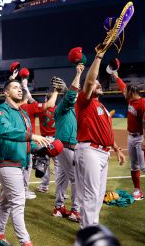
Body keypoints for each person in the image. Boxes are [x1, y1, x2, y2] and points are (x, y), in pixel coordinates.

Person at [0, 79, 50, 246]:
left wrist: (39, 148)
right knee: (18, 201)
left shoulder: (23, 114)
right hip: (6, 162)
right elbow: (5, 131)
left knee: (7, 202)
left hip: (20, 162)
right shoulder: (0, 112)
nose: (19, 90)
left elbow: (25, 143)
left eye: (20, 87)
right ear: (6, 93)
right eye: (14, 87)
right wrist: (32, 137)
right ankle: (25, 242)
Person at [74, 44, 125, 228]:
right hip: (90, 150)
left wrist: (117, 150)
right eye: (97, 83)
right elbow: (89, 81)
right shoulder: (84, 101)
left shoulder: (101, 107)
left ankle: (91, 226)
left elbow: (107, 133)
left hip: (103, 152)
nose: (98, 84)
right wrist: (99, 57)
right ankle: (88, 233)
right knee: (90, 194)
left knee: (98, 193)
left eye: (99, 84)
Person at [52, 63, 85, 223]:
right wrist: (78, 74)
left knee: (62, 179)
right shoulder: (63, 107)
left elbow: (73, 98)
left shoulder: (72, 109)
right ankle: (75, 211)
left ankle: (58, 208)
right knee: (77, 179)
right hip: (65, 146)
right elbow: (71, 96)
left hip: (65, 146)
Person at [111, 71, 145, 200]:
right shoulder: (130, 99)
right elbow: (122, 86)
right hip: (131, 137)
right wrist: (116, 76)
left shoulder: (143, 104)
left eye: (127, 92)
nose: (125, 93)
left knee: (144, 167)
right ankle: (138, 191)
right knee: (134, 165)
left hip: (141, 138)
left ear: (133, 92)